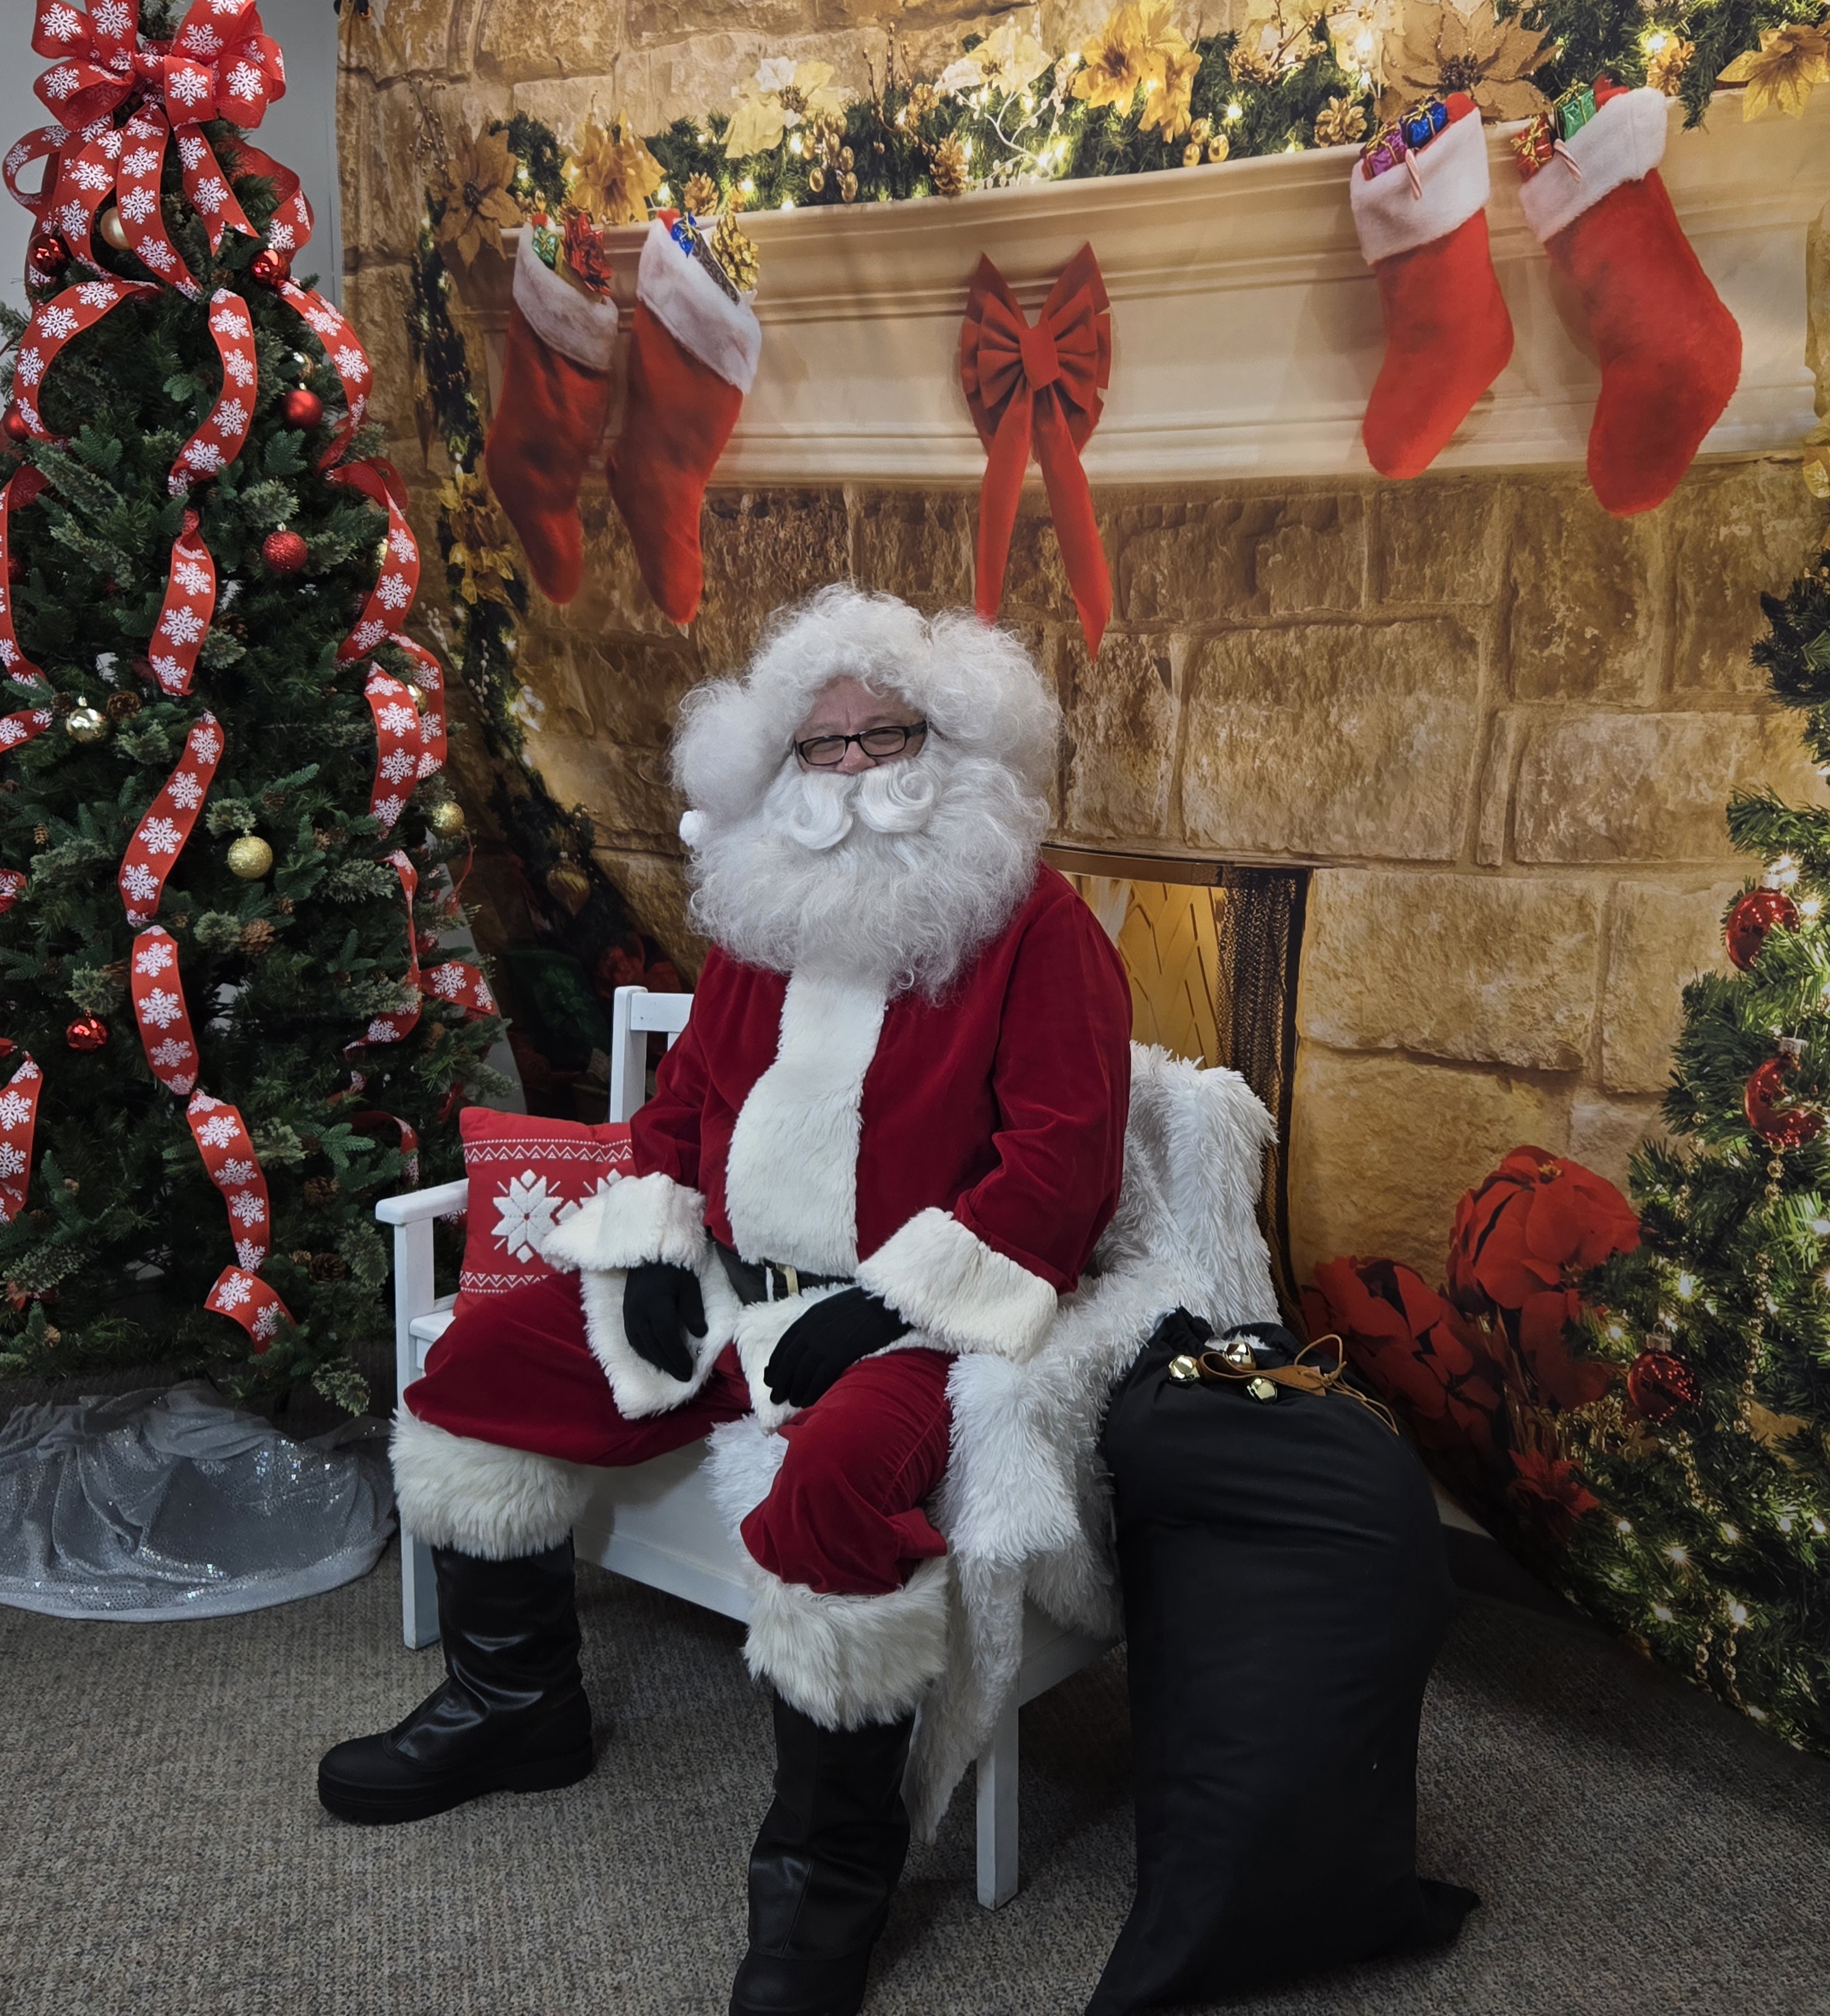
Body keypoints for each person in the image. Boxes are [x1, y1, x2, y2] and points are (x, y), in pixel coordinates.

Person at [317, 586, 1134, 2016]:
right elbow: (683, 1113)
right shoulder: (763, 916)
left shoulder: (1040, 928)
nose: (855, 775)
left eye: (888, 737)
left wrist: (884, 1312)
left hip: (918, 1319)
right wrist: (648, 1247)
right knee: (480, 1364)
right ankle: (516, 1706)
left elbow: (1057, 1171)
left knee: (833, 1481)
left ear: (950, 745)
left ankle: (828, 1868)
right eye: (823, 749)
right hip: (726, 1282)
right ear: (781, 768)